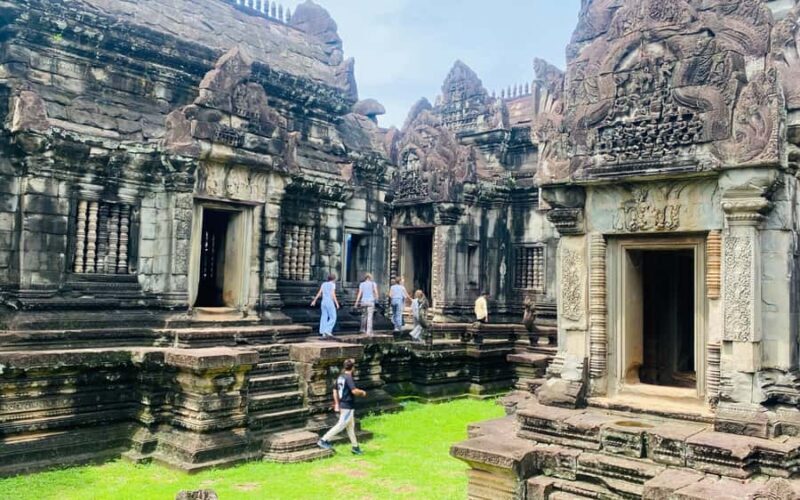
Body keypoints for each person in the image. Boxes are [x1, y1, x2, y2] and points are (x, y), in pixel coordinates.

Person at [317, 358, 367, 455]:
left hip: (343, 404)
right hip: (347, 405)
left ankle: (355, 447)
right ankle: (323, 440)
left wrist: (337, 403)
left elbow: (335, 390)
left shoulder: (340, 377)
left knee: (350, 427)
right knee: (341, 425)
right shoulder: (348, 378)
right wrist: (362, 392)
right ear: (353, 368)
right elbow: (354, 391)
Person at [311, 274, 340, 339]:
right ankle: (327, 330)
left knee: (324, 317)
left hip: (323, 302)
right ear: (334, 279)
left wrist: (314, 300)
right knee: (333, 317)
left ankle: (323, 332)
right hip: (329, 302)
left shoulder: (323, 284)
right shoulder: (332, 284)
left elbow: (319, 293)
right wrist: (337, 303)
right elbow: (333, 294)